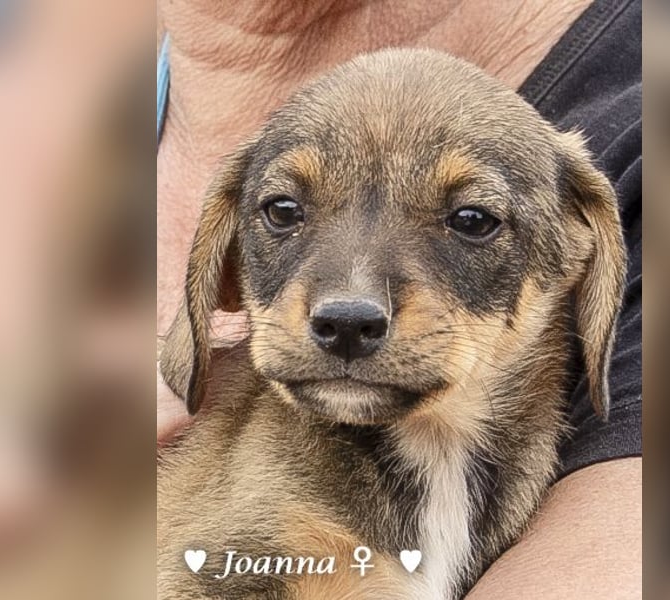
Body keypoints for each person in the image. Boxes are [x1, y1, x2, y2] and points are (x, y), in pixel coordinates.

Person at [157, 0, 641, 596]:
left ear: (582, 252)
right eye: (284, 212)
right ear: (221, 264)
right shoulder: (274, 505)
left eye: (470, 220)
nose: (350, 305)